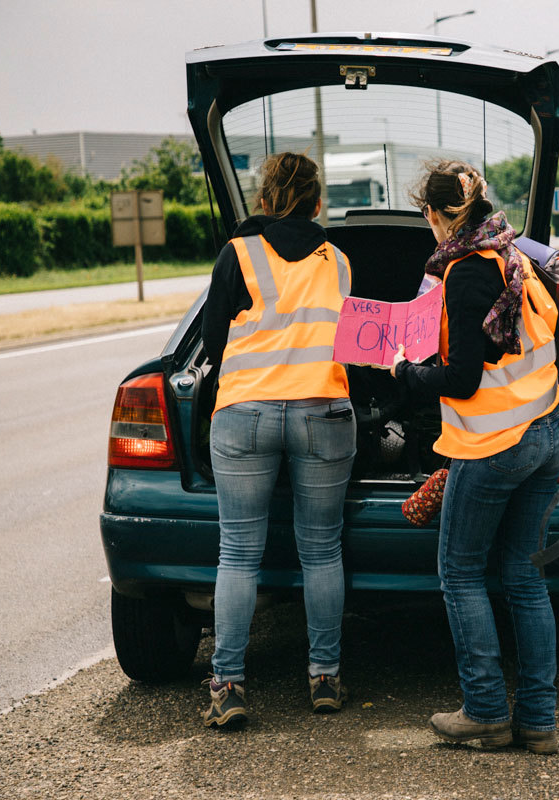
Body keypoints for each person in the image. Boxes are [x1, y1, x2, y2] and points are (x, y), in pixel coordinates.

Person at [390, 160, 559, 754]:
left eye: (425, 214)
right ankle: (538, 721)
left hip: (495, 445)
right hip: (547, 430)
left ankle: (487, 711)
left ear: (437, 214)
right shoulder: (512, 255)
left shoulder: (464, 275)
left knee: (460, 573)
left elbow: (462, 379)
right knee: (524, 577)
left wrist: (405, 375)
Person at [200, 152, 355, 728]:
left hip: (246, 412)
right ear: (319, 204)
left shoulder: (237, 254)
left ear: (264, 201)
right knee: (322, 550)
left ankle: (228, 685)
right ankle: (324, 676)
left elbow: (215, 343)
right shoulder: (338, 260)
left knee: (239, 554)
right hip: (323, 411)